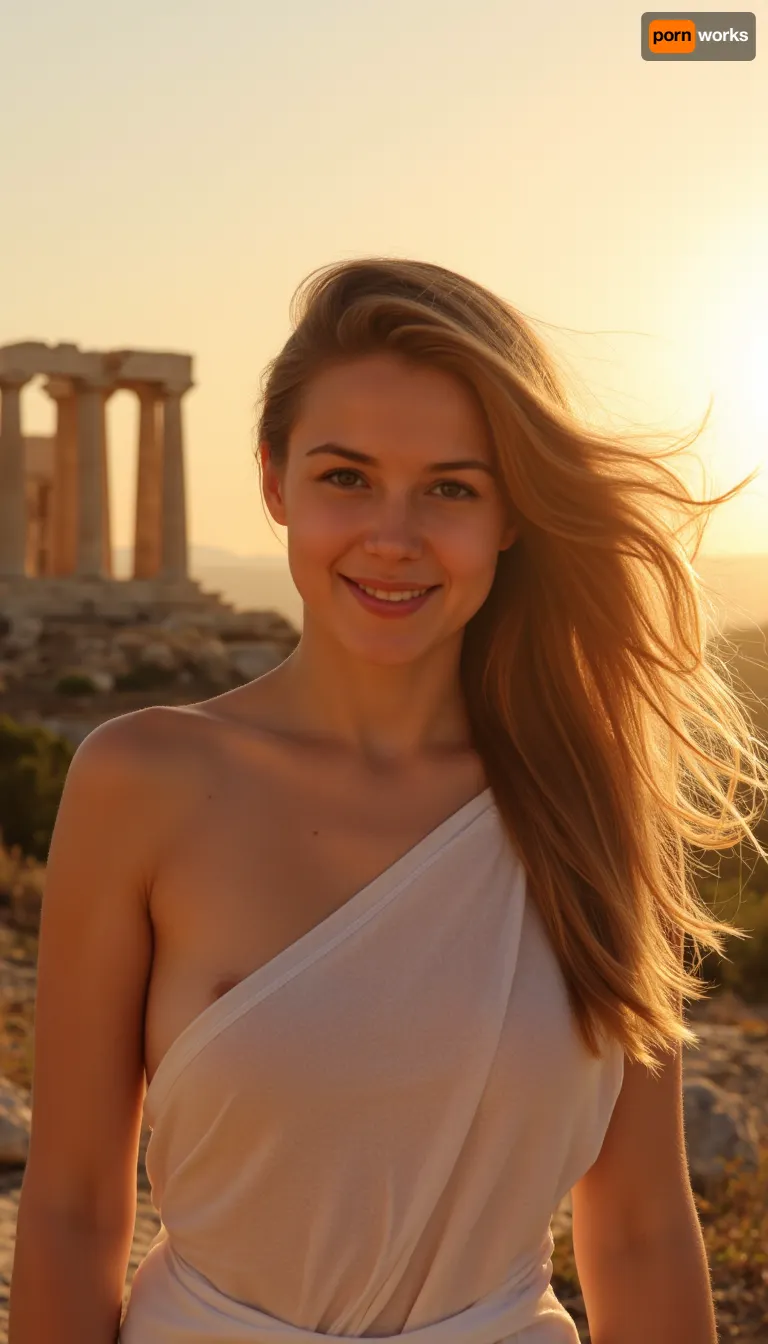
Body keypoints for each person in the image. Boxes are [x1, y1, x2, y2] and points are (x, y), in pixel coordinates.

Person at [10, 257, 766, 1344]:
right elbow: (75, 1211)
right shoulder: (144, 783)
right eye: (346, 477)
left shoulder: (592, 799)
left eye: (451, 488)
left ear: (511, 515)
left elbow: (642, 1226)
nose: (394, 536)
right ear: (274, 481)